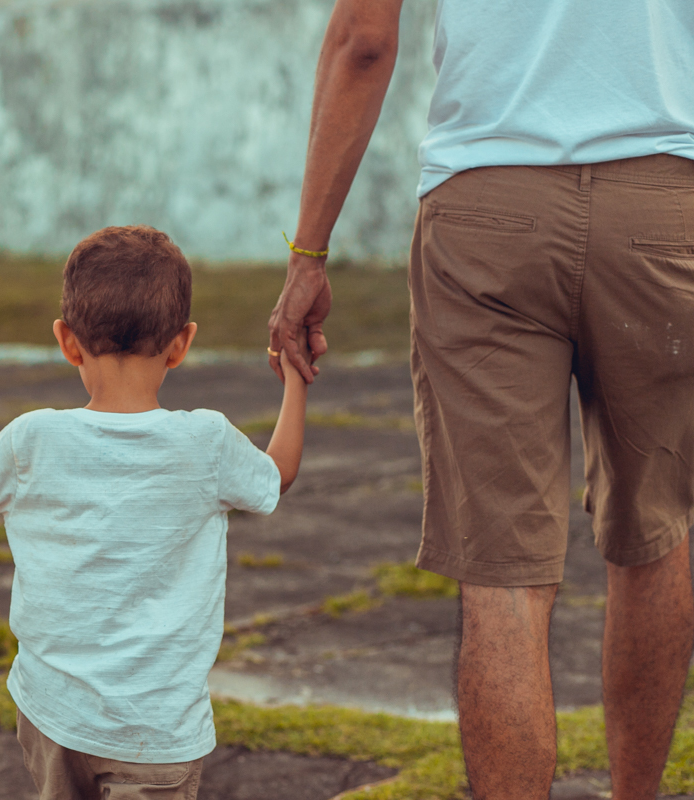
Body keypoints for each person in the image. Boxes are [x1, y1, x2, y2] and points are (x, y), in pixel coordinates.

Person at [267, 1, 694, 798]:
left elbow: (363, 39)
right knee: (658, 530)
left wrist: (308, 254)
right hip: (665, 206)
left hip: (486, 210)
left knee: (503, 570)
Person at [0, 226, 307, 800]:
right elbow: (277, 473)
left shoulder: (34, 438)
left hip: (54, 715)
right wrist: (295, 379)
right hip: (156, 729)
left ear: (66, 340)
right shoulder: (207, 442)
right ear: (181, 343)